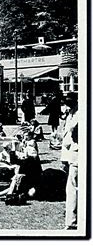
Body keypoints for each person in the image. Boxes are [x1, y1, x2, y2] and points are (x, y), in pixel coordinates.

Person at [61, 92, 78, 230]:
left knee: (73, 187)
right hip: (72, 154)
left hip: (77, 153)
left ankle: (72, 220)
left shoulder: (79, 114)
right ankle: (72, 216)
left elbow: (71, 135)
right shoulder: (71, 113)